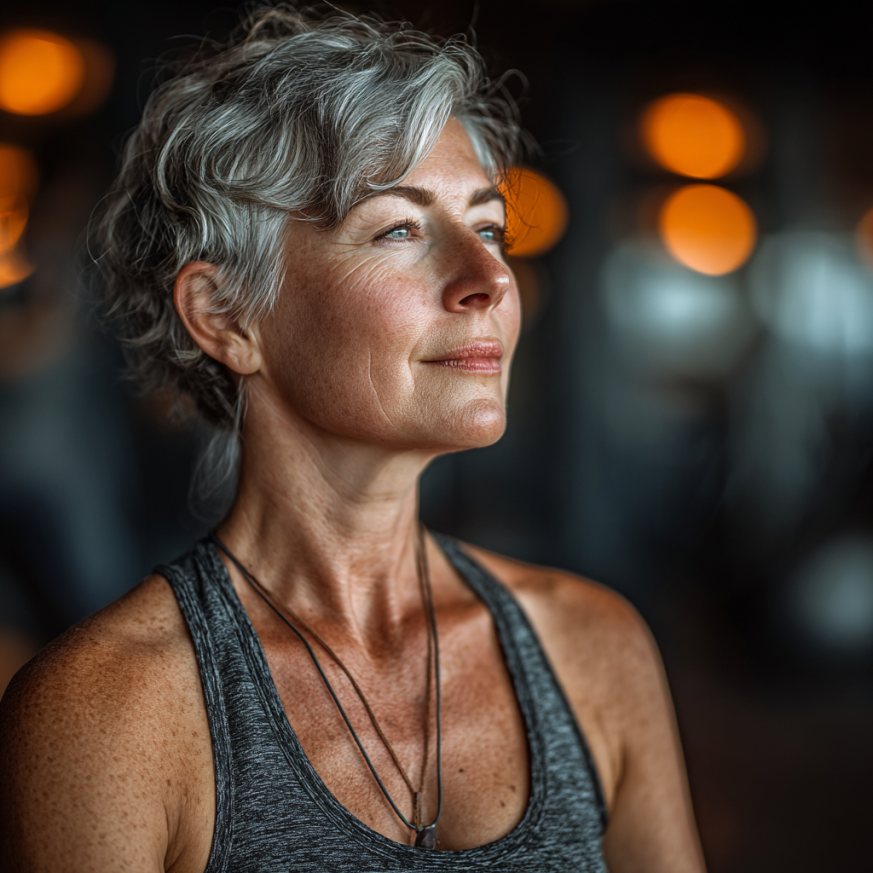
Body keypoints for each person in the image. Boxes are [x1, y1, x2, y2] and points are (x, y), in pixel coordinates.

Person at [0, 5, 706, 871]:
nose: (488, 278)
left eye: (487, 226)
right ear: (226, 316)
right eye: (398, 229)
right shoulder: (109, 710)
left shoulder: (594, 648)